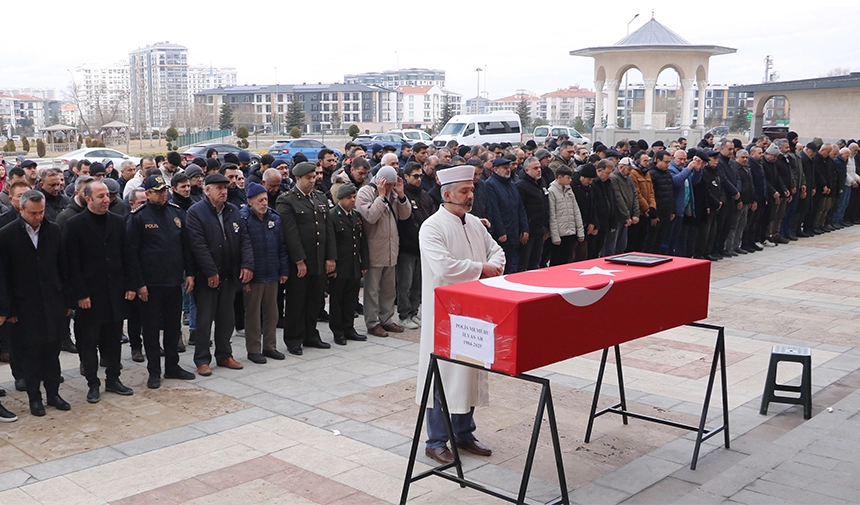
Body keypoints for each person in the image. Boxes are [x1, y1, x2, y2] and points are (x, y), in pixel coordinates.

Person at [417, 164, 505, 465]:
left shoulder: (475, 224)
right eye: (465, 191)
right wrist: (482, 268)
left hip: (475, 311)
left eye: (471, 190)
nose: (471, 196)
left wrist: (491, 264)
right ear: (447, 193)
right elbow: (444, 267)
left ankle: (464, 433)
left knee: (470, 371)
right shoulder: (432, 227)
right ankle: (436, 441)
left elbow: (497, 251)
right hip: (445, 315)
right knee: (444, 375)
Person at [0, 190, 73, 417]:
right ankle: (35, 398)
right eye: (33, 213)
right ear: (21, 210)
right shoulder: (7, 235)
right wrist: (8, 309)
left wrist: (67, 300)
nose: (38, 217)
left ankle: (53, 393)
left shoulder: (53, 230)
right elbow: (4, 276)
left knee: (52, 351)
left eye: (41, 212)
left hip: (52, 301)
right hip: (24, 305)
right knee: (31, 354)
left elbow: (64, 267)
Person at [63, 181, 136, 404]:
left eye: (108, 196)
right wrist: (80, 294)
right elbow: (71, 264)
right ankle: (93, 383)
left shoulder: (117, 221)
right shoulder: (74, 225)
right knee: (89, 342)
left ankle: (113, 379)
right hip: (89, 296)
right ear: (88, 199)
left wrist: (131, 285)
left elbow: (127, 255)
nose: (107, 200)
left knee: (113, 340)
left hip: (114, 292)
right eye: (101, 196)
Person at [126, 175, 197, 389]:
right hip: (151, 284)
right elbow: (132, 255)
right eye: (157, 191)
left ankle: (173, 366)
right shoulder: (138, 217)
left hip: (173, 282)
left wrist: (190, 273)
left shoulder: (176, 212)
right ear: (147, 194)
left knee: (173, 327)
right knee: (150, 329)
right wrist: (139, 284)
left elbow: (186, 246)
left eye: (164, 190)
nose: (162, 194)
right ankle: (154, 371)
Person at [186, 173, 254, 375]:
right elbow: (198, 246)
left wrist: (247, 265)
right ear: (207, 190)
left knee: (227, 318)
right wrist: (210, 271)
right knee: (205, 319)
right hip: (207, 276)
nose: (224, 191)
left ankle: (224, 355)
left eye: (225, 188)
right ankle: (202, 359)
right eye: (218, 188)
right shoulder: (196, 212)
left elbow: (245, 239)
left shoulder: (233, 210)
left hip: (229, 274)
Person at [276, 162, 336, 355]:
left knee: (314, 299)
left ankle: (311, 334)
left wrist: (330, 257)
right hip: (301, 261)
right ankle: (294, 338)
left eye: (314, 176)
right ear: (298, 179)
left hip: (319, 259)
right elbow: (290, 234)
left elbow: (328, 231)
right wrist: (299, 261)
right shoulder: (287, 200)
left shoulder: (319, 197)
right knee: (296, 301)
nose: (313, 180)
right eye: (309, 178)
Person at [356, 165, 412, 337]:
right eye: (388, 185)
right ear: (381, 181)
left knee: (389, 289)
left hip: (391, 249)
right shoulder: (365, 192)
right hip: (374, 249)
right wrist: (380, 197)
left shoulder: (393, 193)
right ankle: (372, 323)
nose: (389, 188)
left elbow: (405, 215)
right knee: (372, 290)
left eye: (392, 185)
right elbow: (370, 217)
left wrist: (401, 195)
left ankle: (386, 319)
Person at [240, 183, 288, 364]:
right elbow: (241, 249)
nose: (264, 203)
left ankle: (270, 346)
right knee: (252, 313)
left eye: (266, 199)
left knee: (272, 312)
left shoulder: (274, 218)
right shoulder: (243, 219)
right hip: (254, 275)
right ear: (249, 201)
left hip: (272, 272)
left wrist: (283, 270)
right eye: (260, 200)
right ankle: (253, 349)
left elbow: (282, 246)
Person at [329, 183, 370, 345]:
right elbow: (331, 242)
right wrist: (332, 263)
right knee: (337, 300)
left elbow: (362, 241)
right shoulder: (333, 215)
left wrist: (364, 261)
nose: (353, 200)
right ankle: (337, 331)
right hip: (340, 265)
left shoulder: (356, 215)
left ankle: (349, 328)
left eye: (354, 197)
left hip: (354, 264)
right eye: (349, 198)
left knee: (351, 299)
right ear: (340, 199)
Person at [396, 162, 435, 329]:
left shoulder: (425, 195)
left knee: (418, 284)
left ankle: (414, 311)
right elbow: (407, 221)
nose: (419, 179)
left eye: (421, 176)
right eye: (415, 176)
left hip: (422, 249)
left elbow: (432, 217)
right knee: (405, 283)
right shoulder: (402, 195)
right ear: (406, 177)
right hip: (407, 247)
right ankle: (404, 314)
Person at [485, 157, 528, 273]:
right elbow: (494, 210)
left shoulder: (512, 184)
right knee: (503, 265)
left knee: (514, 264)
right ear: (496, 170)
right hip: (503, 233)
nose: (508, 170)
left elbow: (520, 207)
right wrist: (501, 232)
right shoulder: (490, 185)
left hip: (514, 231)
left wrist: (524, 228)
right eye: (505, 168)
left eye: (508, 167)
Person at [516, 156, 549, 271]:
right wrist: (524, 230)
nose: (539, 170)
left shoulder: (541, 183)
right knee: (524, 262)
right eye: (535, 168)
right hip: (528, 231)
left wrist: (545, 227)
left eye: (539, 167)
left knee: (535, 262)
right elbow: (521, 210)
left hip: (540, 229)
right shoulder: (521, 186)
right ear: (526, 170)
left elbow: (545, 205)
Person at [548, 166, 585, 265]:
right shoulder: (552, 191)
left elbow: (576, 210)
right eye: (568, 178)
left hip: (570, 231)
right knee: (557, 260)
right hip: (560, 233)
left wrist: (580, 231)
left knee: (568, 259)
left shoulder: (569, 190)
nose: (570, 180)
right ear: (560, 177)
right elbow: (552, 215)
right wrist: (555, 237)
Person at [604, 157, 639, 256]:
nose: (630, 172)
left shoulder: (629, 179)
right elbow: (618, 198)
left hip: (626, 217)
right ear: (621, 167)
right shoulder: (613, 178)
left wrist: (635, 213)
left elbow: (635, 195)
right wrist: (627, 215)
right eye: (629, 169)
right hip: (618, 216)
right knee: (612, 246)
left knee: (621, 245)